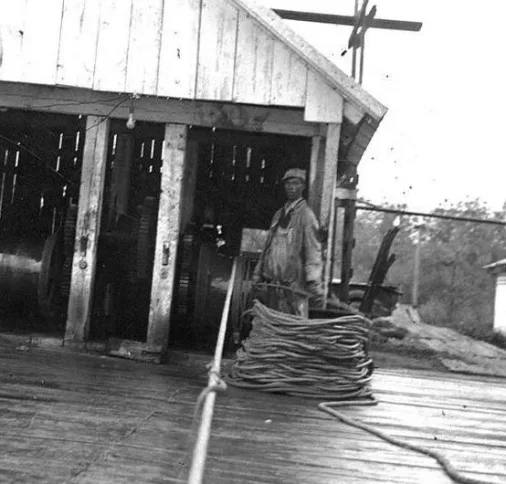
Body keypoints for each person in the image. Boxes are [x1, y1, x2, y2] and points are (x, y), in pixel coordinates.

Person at [252, 168, 324, 309]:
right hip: (273, 284)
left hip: (294, 287)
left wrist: (314, 282)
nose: (291, 187)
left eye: (296, 183)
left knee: (290, 326)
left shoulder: (306, 216)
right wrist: (257, 273)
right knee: (271, 323)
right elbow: (268, 247)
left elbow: (313, 250)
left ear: (303, 186)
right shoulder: (278, 215)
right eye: (288, 183)